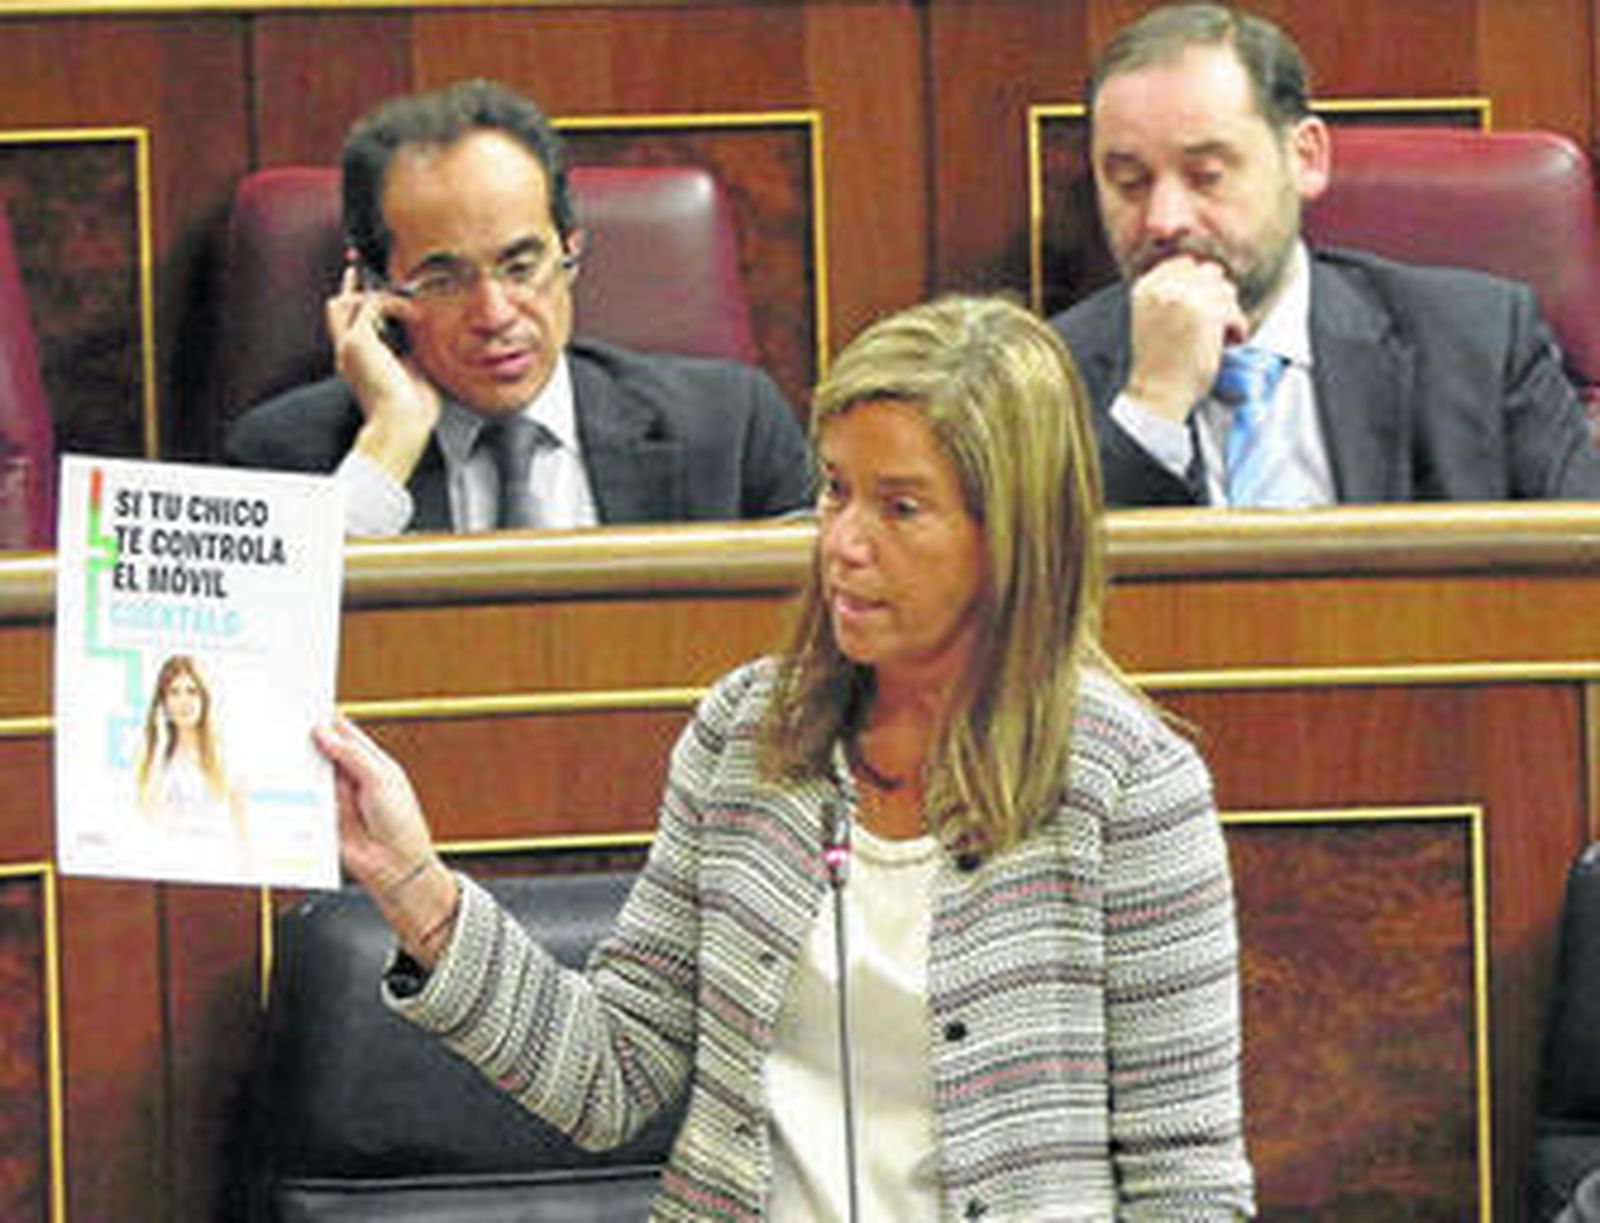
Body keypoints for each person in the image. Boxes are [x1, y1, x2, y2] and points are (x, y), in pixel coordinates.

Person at [313, 295, 1256, 1218]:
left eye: (901, 507)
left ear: (1009, 535)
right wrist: (415, 888)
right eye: (836, 489)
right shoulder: (745, 735)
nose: (843, 543)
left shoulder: (1129, 787)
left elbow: (1188, 1185)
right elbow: (612, 1075)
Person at [1050, 2, 1600, 507]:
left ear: (1305, 158)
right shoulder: (1045, 378)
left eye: (1206, 176)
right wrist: (1151, 406)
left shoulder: (1477, 343)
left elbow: (1582, 570)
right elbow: (1036, 599)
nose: (1164, 219)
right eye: (1128, 182)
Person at [226, 79, 812, 534]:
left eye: (520, 266)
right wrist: (389, 443)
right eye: (444, 278)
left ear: (571, 251)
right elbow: (268, 670)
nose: (495, 314)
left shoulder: (732, 427)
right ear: (377, 288)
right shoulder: (286, 461)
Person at [135, 653, 248, 861]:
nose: (183, 701)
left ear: (204, 699)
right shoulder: (153, 753)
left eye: (192, 691)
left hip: (216, 863)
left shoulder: (224, 751)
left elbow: (242, 825)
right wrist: (159, 746)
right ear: (163, 703)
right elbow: (146, 814)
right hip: (168, 862)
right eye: (174, 693)